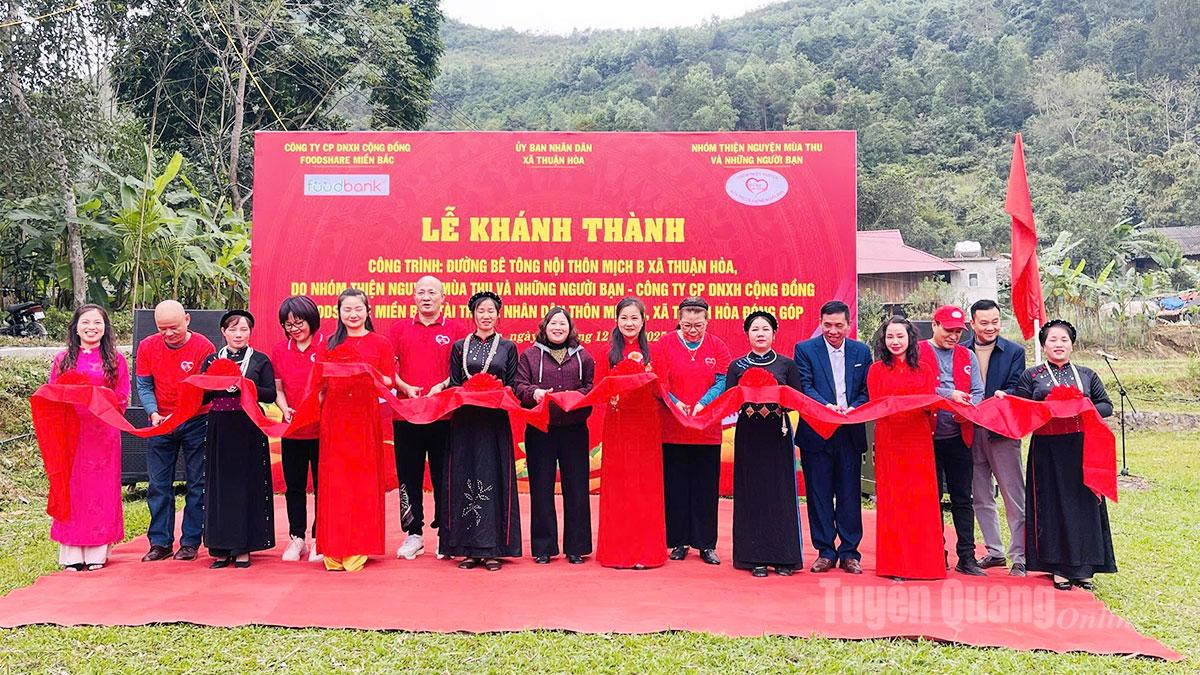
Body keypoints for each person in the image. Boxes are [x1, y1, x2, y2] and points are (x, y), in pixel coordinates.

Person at [999, 320, 1116, 591]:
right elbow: (1021, 408)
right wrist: (1008, 398)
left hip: (1081, 448)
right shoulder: (1032, 375)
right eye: (1052, 340)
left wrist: (1079, 406)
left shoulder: (1086, 374)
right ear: (1044, 345)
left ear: (1072, 344)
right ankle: (1059, 568)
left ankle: (1084, 567)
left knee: (1084, 505)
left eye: (1064, 340)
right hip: (1047, 450)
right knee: (1052, 506)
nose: (1059, 344)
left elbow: (1106, 406)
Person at [315, 288, 396, 572]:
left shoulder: (380, 343)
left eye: (358, 309)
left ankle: (359, 545)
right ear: (338, 313)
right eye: (347, 309)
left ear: (368, 312)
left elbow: (389, 381)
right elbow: (320, 384)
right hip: (334, 418)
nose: (353, 314)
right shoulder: (329, 343)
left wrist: (367, 372)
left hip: (364, 418)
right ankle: (334, 546)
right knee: (335, 482)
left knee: (362, 481)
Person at [389, 276, 467, 560]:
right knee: (408, 475)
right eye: (421, 292)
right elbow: (387, 368)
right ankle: (414, 534)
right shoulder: (399, 329)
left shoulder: (456, 330)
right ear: (413, 297)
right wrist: (404, 386)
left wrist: (443, 385)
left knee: (445, 475)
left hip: (444, 415)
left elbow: (461, 370)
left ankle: (447, 533)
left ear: (443, 298)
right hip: (406, 414)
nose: (426, 297)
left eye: (432, 292)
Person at [47, 304, 129, 570]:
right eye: (85, 322)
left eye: (97, 323)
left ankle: (97, 552)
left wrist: (97, 400)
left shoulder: (116, 360)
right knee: (72, 489)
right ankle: (72, 553)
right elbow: (53, 394)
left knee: (100, 490)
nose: (91, 327)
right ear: (76, 327)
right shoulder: (63, 359)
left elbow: (122, 397)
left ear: (105, 328)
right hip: (71, 433)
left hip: (103, 433)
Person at [444, 291, 521, 571]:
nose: (486, 316)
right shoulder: (459, 347)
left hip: (494, 423)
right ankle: (468, 549)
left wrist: (494, 392)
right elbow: (455, 384)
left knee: (494, 477)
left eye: (491, 311)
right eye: (481, 311)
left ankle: (493, 549)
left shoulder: (508, 347)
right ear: (473, 315)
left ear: (498, 315)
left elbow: (512, 385)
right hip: (465, 423)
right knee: (464, 476)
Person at [793, 300, 871, 574]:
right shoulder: (805, 349)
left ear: (849, 324)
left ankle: (850, 552)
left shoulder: (861, 351)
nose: (833, 331)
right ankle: (825, 551)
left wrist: (853, 408)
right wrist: (826, 408)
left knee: (849, 494)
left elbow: (866, 390)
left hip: (849, 432)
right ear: (820, 324)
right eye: (827, 325)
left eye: (839, 325)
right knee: (819, 495)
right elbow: (804, 386)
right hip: (817, 432)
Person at [135, 300, 215, 562]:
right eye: (162, 329)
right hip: (160, 423)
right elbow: (144, 385)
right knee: (158, 484)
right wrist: (153, 412)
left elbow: (206, 390)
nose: (168, 333)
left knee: (197, 483)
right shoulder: (147, 346)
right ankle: (160, 542)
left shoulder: (204, 347)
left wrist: (182, 413)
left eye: (174, 327)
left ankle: (190, 542)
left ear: (187, 320)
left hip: (196, 421)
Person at [514, 307, 595, 564]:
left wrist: (577, 397)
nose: (558, 328)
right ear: (544, 327)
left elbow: (592, 388)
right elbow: (519, 386)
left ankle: (576, 548)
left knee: (577, 489)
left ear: (570, 328)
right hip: (541, 430)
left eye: (563, 324)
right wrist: (535, 393)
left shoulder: (583, 357)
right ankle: (543, 548)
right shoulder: (529, 356)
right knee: (541, 488)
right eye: (553, 323)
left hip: (574, 430)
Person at [726, 311, 804, 577]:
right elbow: (730, 400)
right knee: (752, 492)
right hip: (749, 434)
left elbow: (796, 398)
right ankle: (753, 557)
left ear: (774, 334)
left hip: (777, 434)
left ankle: (784, 557)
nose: (760, 334)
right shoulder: (736, 366)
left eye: (765, 329)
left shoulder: (787, 365)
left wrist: (774, 396)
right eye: (755, 329)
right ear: (747, 334)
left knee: (780, 492)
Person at [866, 316, 944, 580]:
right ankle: (895, 565)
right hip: (889, 439)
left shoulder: (924, 369)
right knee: (893, 500)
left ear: (910, 338)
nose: (895, 341)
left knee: (920, 500)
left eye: (900, 336)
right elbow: (876, 405)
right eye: (890, 336)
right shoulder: (876, 370)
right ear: (883, 340)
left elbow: (930, 404)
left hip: (918, 439)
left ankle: (925, 565)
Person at [656, 297, 731, 565]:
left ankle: (706, 544)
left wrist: (702, 403)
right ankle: (679, 542)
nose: (692, 330)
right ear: (679, 320)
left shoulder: (717, 346)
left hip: (706, 428)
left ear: (707, 321)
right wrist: (676, 403)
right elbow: (659, 381)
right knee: (675, 486)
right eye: (687, 325)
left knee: (705, 487)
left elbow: (723, 380)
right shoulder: (665, 343)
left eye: (698, 325)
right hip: (673, 427)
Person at [199, 310, 276, 569]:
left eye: (244, 329)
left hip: (249, 426)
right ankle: (220, 548)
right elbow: (201, 395)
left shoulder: (260, 360)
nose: (238, 334)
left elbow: (270, 394)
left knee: (246, 484)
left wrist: (244, 385)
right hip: (220, 427)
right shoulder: (212, 360)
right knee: (220, 485)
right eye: (233, 329)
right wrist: (214, 383)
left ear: (251, 332)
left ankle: (243, 547)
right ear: (223, 332)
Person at [595, 297, 667, 569]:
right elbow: (599, 390)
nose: (629, 323)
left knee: (645, 486)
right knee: (619, 486)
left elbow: (664, 388)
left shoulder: (654, 354)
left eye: (634, 318)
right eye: (624, 318)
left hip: (647, 426)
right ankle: (617, 552)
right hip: (618, 426)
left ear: (643, 321)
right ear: (616, 320)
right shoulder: (607, 353)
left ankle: (647, 553)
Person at [962, 299, 1028, 577]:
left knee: (1014, 495)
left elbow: (1017, 386)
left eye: (995, 322)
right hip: (969, 430)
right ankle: (995, 551)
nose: (990, 327)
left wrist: (1005, 395)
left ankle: (1021, 556)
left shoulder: (1014, 351)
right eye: (984, 323)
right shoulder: (961, 350)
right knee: (980, 495)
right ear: (972, 324)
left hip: (1001, 431)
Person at [920, 304, 986, 576]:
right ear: (934, 325)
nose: (953, 336)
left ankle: (967, 556)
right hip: (927, 437)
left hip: (960, 436)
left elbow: (978, 390)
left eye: (958, 331)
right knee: (931, 498)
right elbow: (917, 387)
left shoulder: (967, 355)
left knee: (962, 497)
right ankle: (936, 552)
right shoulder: (918, 351)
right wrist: (949, 396)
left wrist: (968, 408)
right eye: (948, 329)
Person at [272, 295, 325, 562]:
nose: (294, 329)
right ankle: (297, 538)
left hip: (322, 429)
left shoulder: (327, 345)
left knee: (323, 485)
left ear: (311, 320)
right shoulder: (280, 350)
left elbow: (330, 386)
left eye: (299, 322)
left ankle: (320, 538)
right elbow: (278, 388)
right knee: (294, 485)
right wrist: (284, 409)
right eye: (288, 324)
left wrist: (317, 407)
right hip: (293, 429)